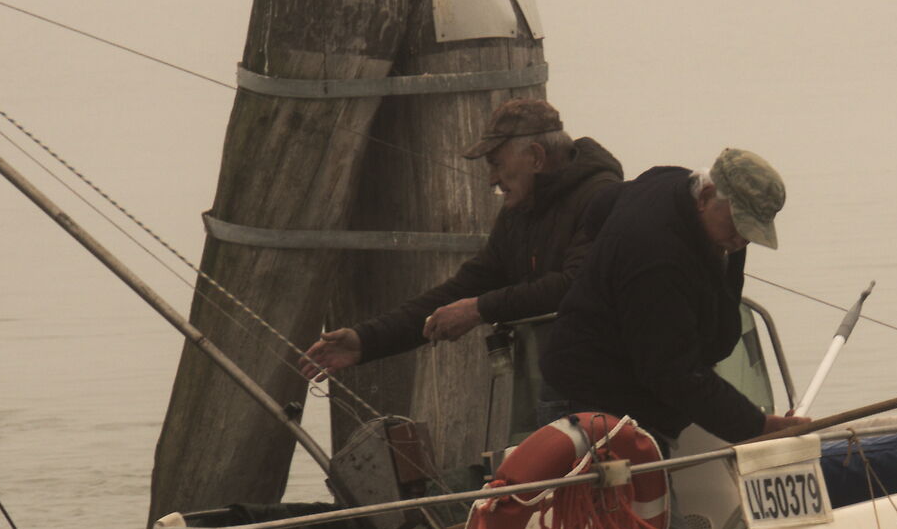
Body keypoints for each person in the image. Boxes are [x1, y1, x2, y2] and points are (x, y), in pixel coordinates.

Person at [301, 99, 622, 379]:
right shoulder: (519, 212)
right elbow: (463, 290)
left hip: (604, 386)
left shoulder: (601, 197)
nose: (491, 179)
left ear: (537, 158)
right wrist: (367, 340)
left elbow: (576, 285)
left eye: (496, 164)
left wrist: (480, 309)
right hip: (547, 381)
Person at [538, 148, 813, 446]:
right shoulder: (657, 257)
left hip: (643, 387)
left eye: (751, 233)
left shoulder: (673, 182)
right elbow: (672, 371)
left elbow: (600, 208)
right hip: (595, 398)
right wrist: (755, 425)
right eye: (737, 225)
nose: (740, 241)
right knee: (631, 489)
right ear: (706, 196)